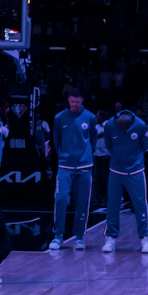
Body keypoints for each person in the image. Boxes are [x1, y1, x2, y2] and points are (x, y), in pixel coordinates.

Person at [50, 90, 97, 251]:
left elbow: (93, 139)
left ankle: (79, 237)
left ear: (82, 100)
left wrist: (85, 156)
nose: (75, 104)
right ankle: (58, 236)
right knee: (61, 199)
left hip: (84, 166)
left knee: (82, 202)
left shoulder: (90, 117)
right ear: (68, 101)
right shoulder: (59, 118)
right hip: (65, 165)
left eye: (77, 102)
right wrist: (64, 155)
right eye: (72, 102)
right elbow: (56, 141)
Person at [102, 110, 148, 254]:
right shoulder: (109, 125)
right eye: (120, 127)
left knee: (140, 205)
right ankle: (110, 237)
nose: (123, 130)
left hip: (136, 171)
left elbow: (145, 146)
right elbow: (108, 144)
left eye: (126, 127)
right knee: (112, 205)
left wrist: (134, 161)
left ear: (131, 122)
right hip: (116, 170)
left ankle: (145, 238)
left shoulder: (141, 125)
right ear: (116, 121)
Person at [92, 110, 110, 208]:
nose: (96, 117)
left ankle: (105, 197)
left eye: (97, 115)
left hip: (106, 154)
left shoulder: (108, 125)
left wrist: (97, 136)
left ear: (101, 117)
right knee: (96, 177)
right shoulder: (96, 126)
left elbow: (106, 134)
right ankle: (95, 197)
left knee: (105, 177)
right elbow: (93, 136)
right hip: (96, 154)